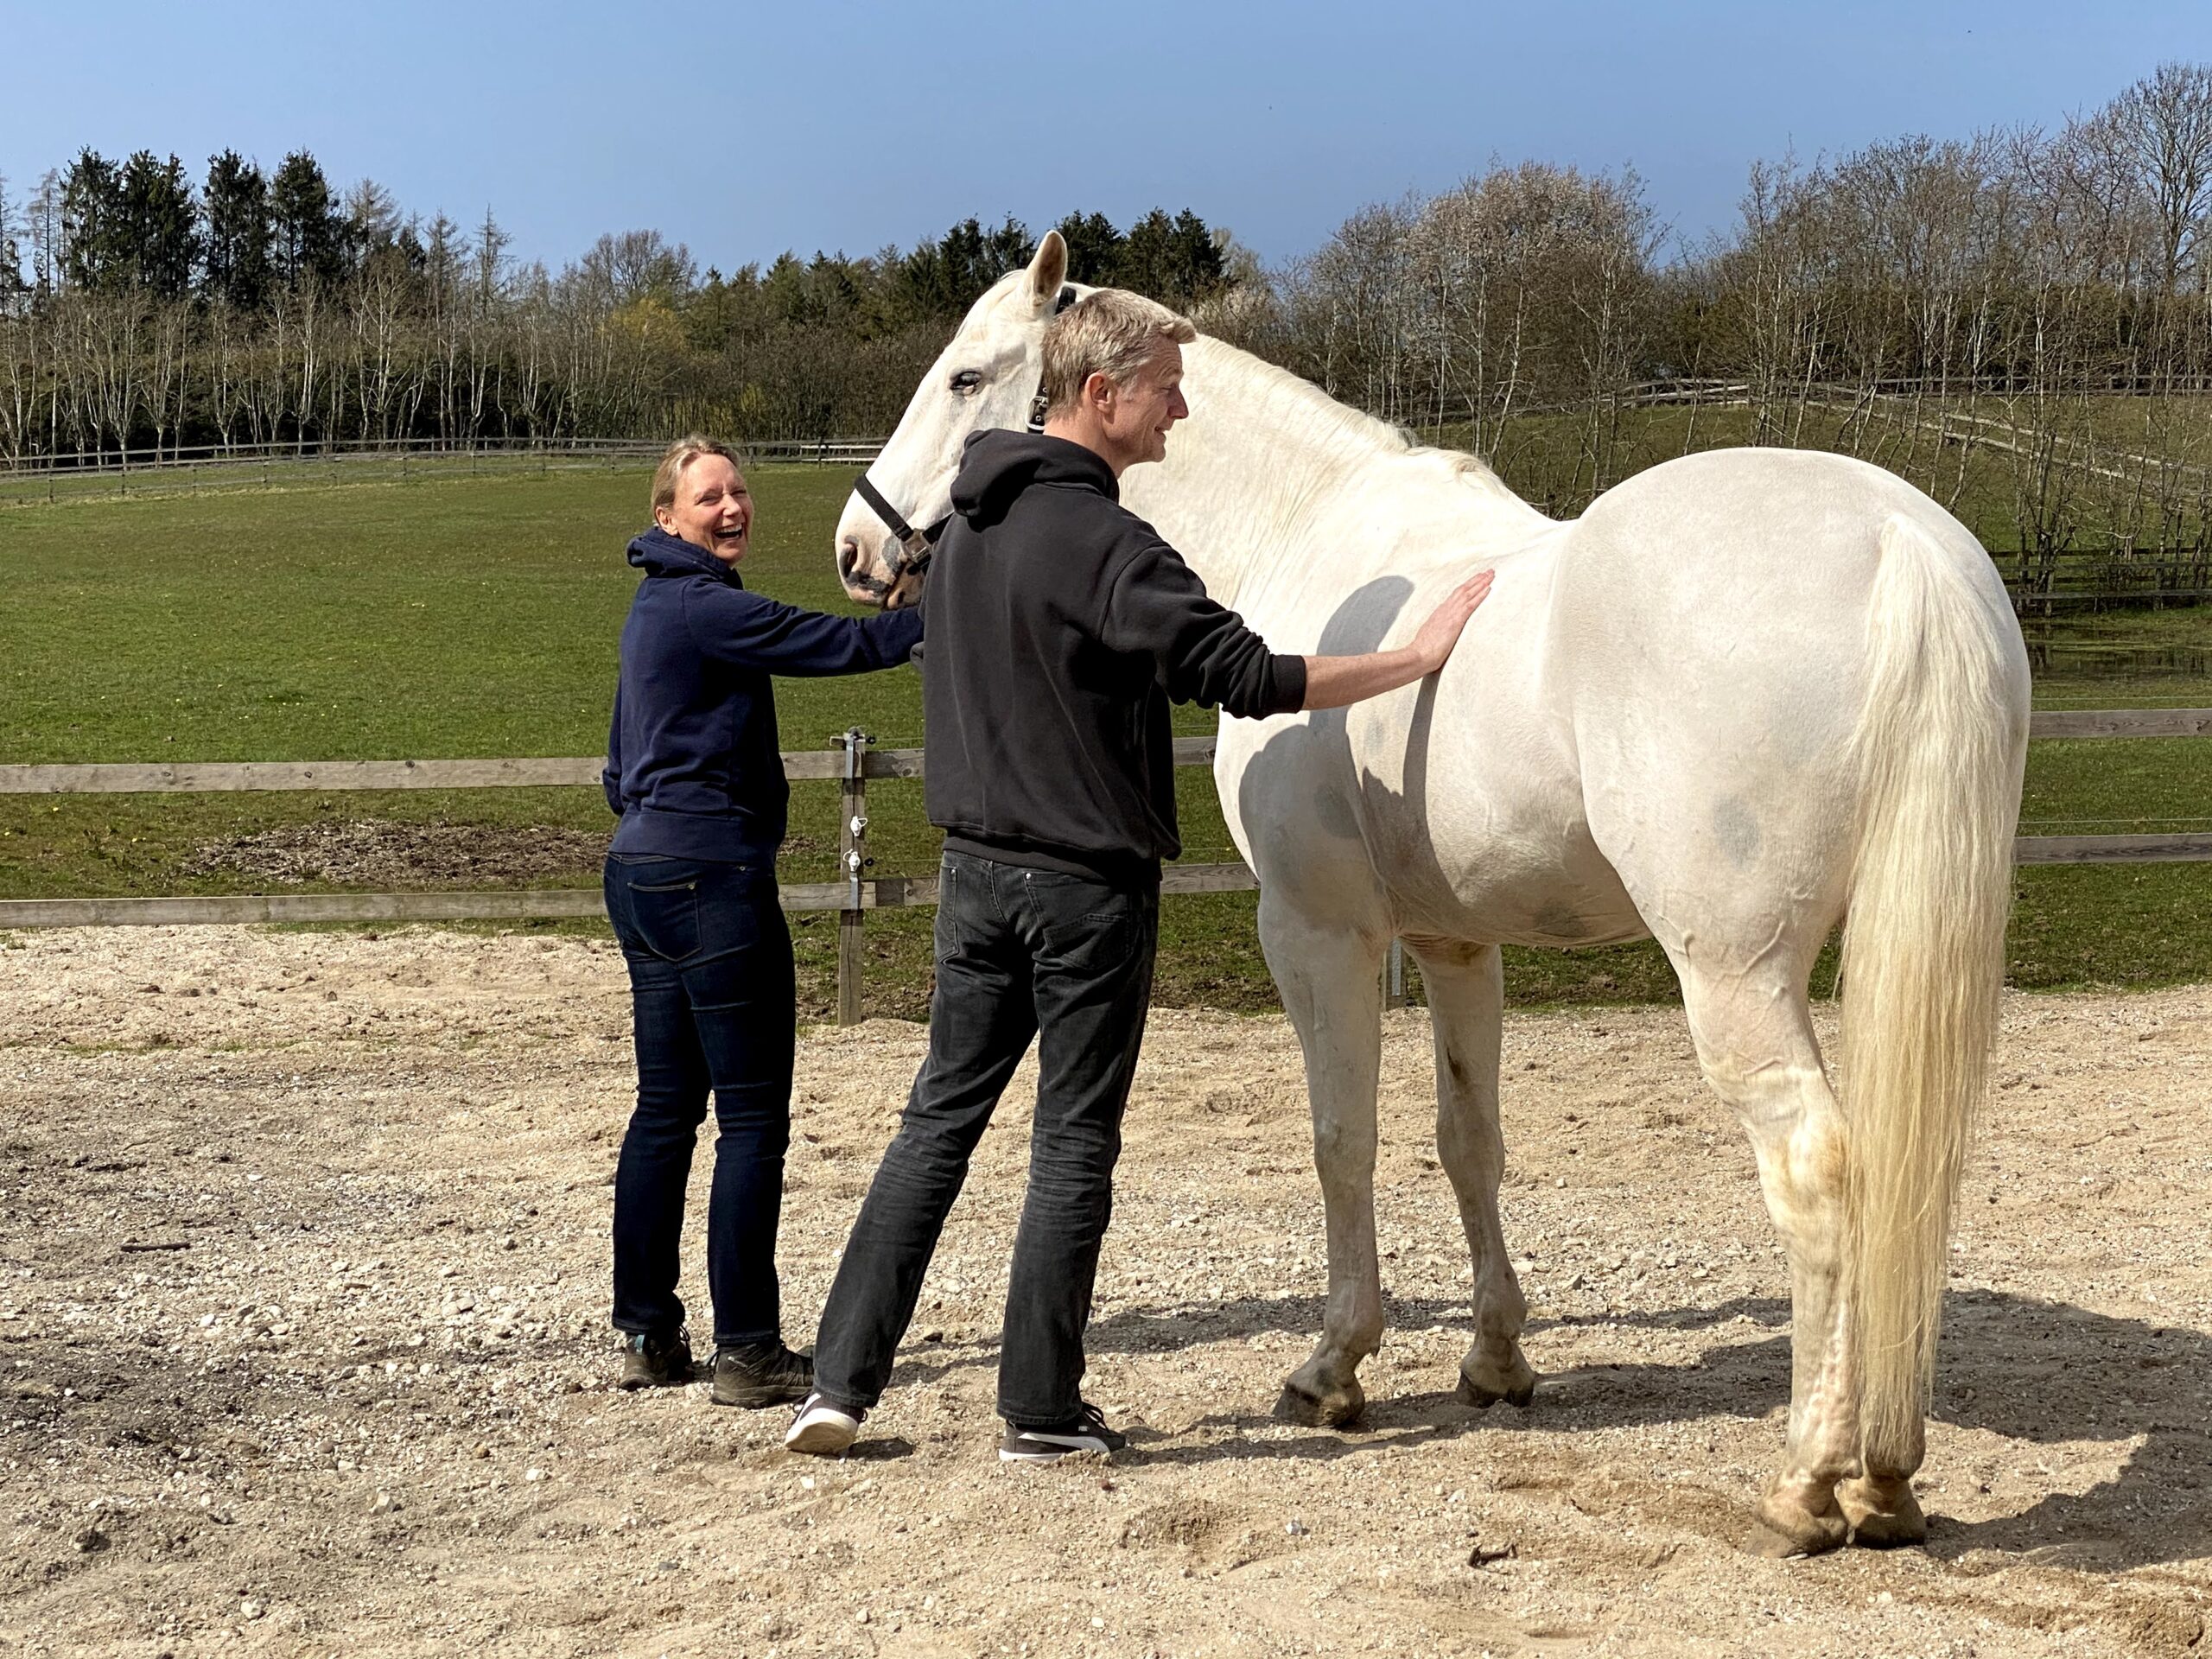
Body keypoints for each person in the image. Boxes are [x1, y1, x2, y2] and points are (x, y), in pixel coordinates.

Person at [787, 292, 1493, 1460]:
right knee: (1072, 1144)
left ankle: (837, 1386)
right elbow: (1245, 676)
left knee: (934, 1126)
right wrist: (1413, 656)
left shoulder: (959, 538)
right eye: (1165, 388)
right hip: (1085, 887)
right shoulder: (1112, 546)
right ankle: (1039, 1412)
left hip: (972, 877)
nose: (1180, 411)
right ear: (1099, 394)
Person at [602, 435, 921, 1406]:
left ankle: (647, 1333)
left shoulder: (652, 608)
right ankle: (746, 1349)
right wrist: (938, 615)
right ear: (667, 517)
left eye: (739, 490)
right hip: (711, 882)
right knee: (750, 1121)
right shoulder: (705, 606)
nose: (732, 507)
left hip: (640, 870)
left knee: (665, 1111)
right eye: (709, 497)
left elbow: (618, 764)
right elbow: (834, 644)